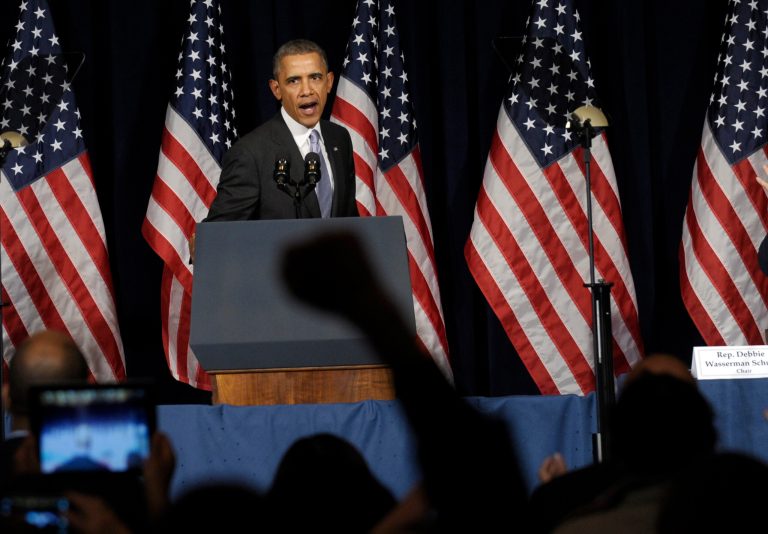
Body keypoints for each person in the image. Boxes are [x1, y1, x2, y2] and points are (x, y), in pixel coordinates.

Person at [189, 39, 357, 260]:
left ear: (329, 82)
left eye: (315, 77)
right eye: (294, 81)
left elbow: (348, 218)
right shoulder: (250, 153)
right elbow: (219, 237)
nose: (307, 91)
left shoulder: (340, 139)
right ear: (276, 89)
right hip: (275, 287)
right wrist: (206, 242)